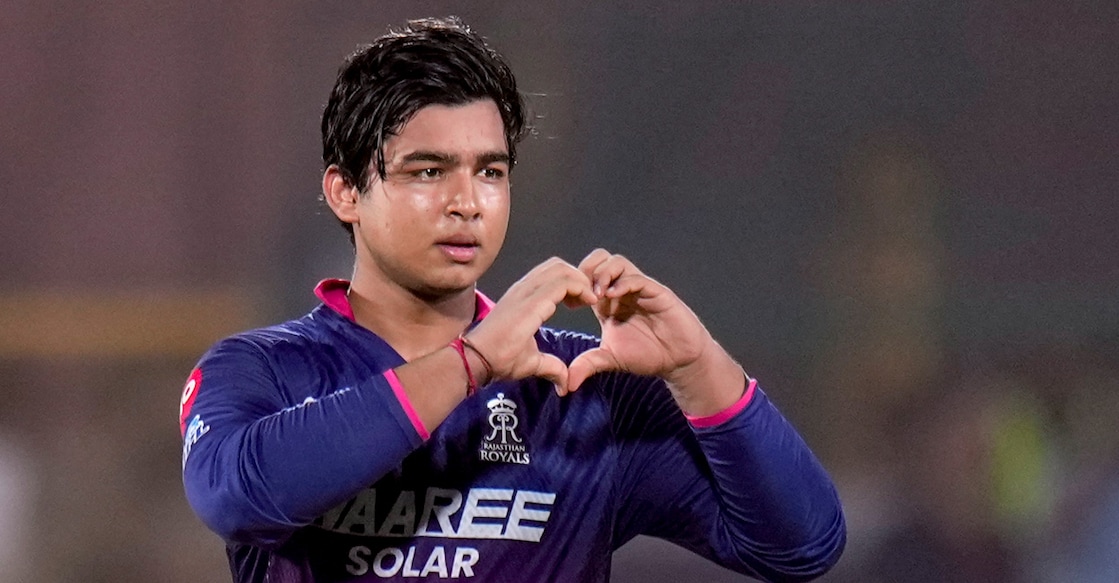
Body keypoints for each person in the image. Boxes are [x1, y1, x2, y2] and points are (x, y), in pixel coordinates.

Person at [179, 16, 845, 583]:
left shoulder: (582, 387)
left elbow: (803, 546)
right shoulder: (259, 369)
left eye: (490, 171)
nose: (466, 202)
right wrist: (470, 364)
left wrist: (698, 366)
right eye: (428, 171)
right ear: (345, 192)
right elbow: (236, 495)